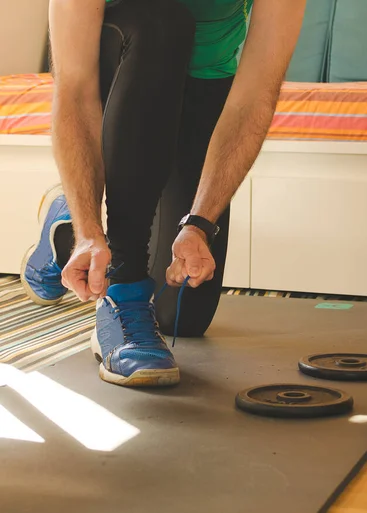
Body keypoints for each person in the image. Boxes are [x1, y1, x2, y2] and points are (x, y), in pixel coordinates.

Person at [20, 0, 306, 388]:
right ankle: (121, 282)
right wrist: (91, 230)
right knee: (161, 21)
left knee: (180, 316)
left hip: (201, 88)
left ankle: (66, 219)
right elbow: (75, 89)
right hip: (121, 72)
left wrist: (199, 224)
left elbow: (254, 95)